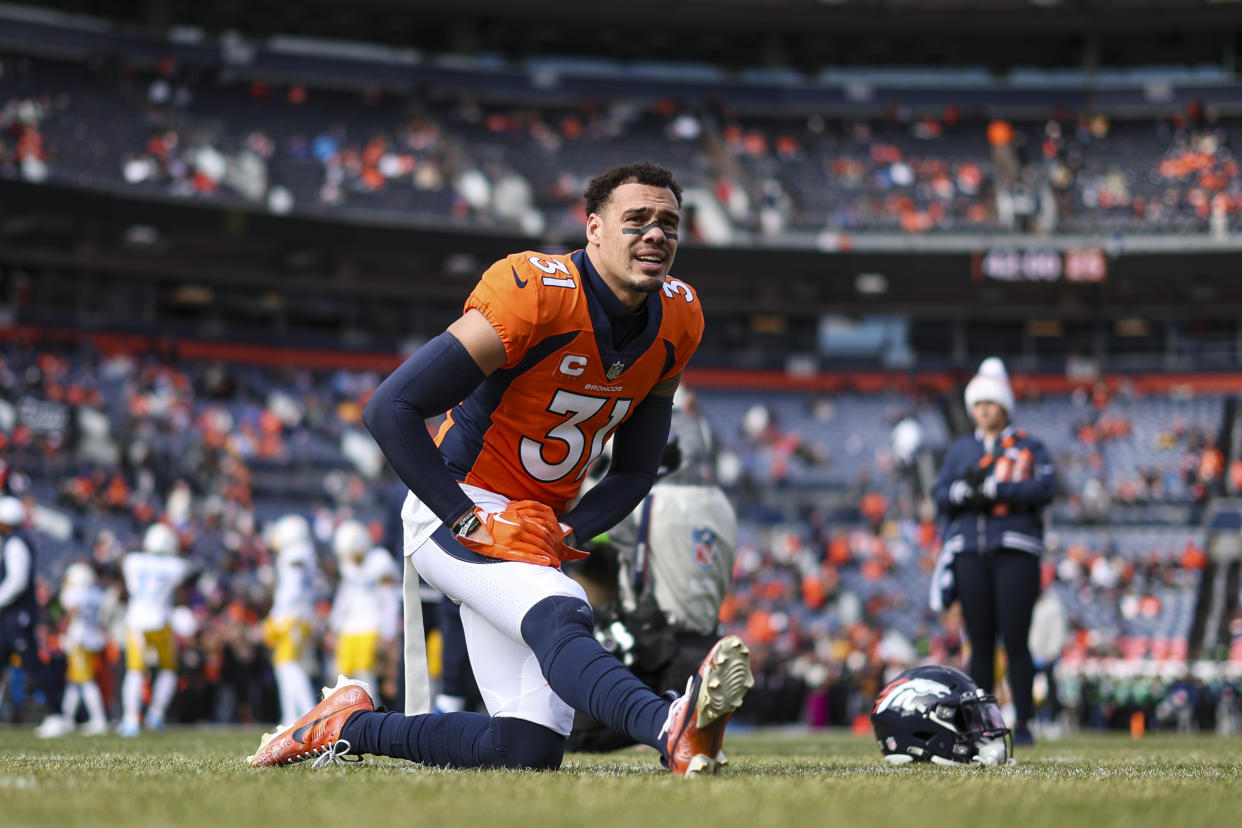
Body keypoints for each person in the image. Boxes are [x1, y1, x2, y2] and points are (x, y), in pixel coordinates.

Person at [248, 161, 753, 776]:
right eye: (637, 220)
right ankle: (667, 726)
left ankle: (345, 725)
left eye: (669, 224)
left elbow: (634, 471)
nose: (656, 234)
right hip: (458, 502)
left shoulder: (679, 319)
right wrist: (467, 520)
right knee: (565, 607)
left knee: (526, 749)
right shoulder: (535, 291)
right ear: (594, 229)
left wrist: (568, 531)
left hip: (537, 522)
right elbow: (392, 408)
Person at [567, 386, 739, 752]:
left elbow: (582, 530)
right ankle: (685, 712)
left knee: (570, 729)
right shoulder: (722, 505)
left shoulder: (646, 504)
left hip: (655, 646)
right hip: (708, 642)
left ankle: (669, 718)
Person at [931, 357, 1054, 747]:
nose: (984, 410)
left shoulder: (1028, 446)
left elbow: (1045, 489)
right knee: (979, 641)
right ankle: (981, 724)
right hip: (970, 552)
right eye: (978, 404)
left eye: (991, 403)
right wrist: (961, 494)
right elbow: (939, 494)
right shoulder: (961, 449)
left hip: (1015, 550)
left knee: (1016, 639)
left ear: (1004, 406)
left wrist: (998, 492)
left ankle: (1026, 721)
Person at [119, 522, 192, 735]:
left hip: (136, 621)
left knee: (134, 671)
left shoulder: (132, 561)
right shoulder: (176, 565)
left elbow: (124, 594)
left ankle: (131, 718)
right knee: (168, 670)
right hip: (161, 620)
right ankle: (156, 714)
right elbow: (180, 597)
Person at [261, 513, 319, 726]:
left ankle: (307, 713)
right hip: (301, 614)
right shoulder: (305, 551)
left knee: (287, 665)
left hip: (292, 615)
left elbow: (292, 587)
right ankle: (290, 717)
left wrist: (277, 613)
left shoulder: (295, 552)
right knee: (289, 667)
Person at [48, 562, 110, 736]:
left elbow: (73, 613)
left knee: (85, 680)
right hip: (92, 638)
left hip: (80, 638)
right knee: (74, 681)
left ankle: (99, 719)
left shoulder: (74, 594)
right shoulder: (97, 594)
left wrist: (63, 630)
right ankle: (67, 718)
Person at [0, 496, 36, 722]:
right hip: (12, 614)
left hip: (16, 615)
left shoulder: (16, 543)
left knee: (31, 664)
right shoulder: (16, 541)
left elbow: (17, 581)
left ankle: (53, 712)